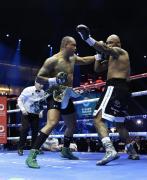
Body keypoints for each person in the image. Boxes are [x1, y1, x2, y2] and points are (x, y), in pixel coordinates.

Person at [26, 36, 96, 168]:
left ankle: (65, 150)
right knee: (52, 123)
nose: (75, 48)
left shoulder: (73, 58)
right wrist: (54, 80)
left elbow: (85, 60)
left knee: (72, 125)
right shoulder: (52, 60)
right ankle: (32, 155)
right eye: (73, 45)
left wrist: (98, 57)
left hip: (67, 94)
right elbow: (39, 79)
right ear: (65, 45)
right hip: (55, 93)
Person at [76, 24, 140, 165]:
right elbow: (98, 68)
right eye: (107, 42)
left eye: (110, 42)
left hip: (115, 87)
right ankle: (132, 151)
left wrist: (88, 39)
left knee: (97, 118)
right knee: (120, 125)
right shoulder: (113, 58)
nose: (107, 44)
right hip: (124, 90)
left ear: (117, 43)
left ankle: (110, 150)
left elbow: (104, 48)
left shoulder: (119, 51)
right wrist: (99, 54)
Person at [17, 82, 45, 155]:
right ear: (36, 83)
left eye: (42, 84)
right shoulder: (28, 89)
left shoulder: (43, 92)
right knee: (25, 129)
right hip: (26, 113)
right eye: (40, 84)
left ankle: (34, 149)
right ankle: (20, 148)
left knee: (35, 131)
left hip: (35, 114)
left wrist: (41, 111)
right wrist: (23, 109)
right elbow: (19, 100)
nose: (41, 85)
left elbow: (41, 103)